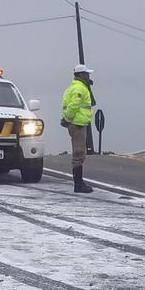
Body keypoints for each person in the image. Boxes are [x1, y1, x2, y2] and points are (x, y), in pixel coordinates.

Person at [61, 64, 95, 193]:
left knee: (79, 153)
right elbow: (73, 106)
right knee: (79, 154)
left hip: (77, 124)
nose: (88, 76)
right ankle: (78, 184)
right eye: (87, 74)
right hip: (78, 125)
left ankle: (79, 182)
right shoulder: (79, 88)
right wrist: (68, 119)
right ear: (81, 75)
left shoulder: (74, 87)